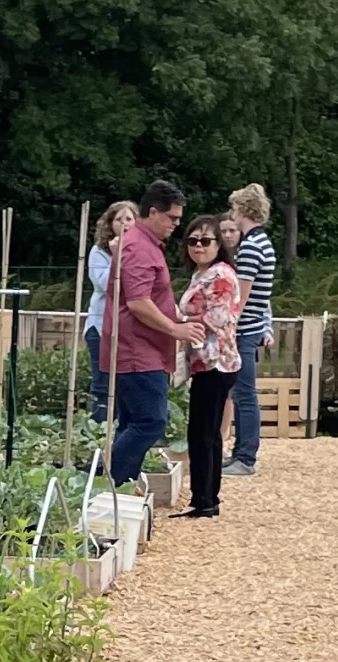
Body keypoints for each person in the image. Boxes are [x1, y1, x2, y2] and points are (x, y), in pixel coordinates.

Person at [109, 182, 200, 489]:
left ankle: (121, 487)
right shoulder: (138, 247)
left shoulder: (142, 243)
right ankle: (104, 482)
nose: (177, 224)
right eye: (172, 218)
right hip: (137, 349)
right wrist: (175, 328)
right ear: (152, 212)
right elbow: (138, 302)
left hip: (139, 348)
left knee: (134, 422)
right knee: (151, 421)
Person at [175, 215, 243, 518]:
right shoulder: (202, 275)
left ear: (219, 244)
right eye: (193, 240)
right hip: (204, 361)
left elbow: (216, 318)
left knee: (203, 432)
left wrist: (178, 322)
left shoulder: (221, 275)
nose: (198, 246)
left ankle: (204, 499)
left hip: (217, 362)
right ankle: (205, 498)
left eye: (205, 240)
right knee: (204, 431)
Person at [224, 184, 277, 476]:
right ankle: (240, 454)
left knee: (244, 394)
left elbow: (239, 300)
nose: (232, 215)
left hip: (243, 330)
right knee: (244, 393)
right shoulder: (263, 243)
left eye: (234, 209)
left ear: (244, 210)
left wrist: (225, 329)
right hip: (254, 327)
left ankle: (245, 457)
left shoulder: (250, 248)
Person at [81, 201, 134, 428]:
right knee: (102, 384)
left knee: (125, 383)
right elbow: (107, 284)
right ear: (110, 224)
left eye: (129, 219)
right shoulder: (98, 252)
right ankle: (99, 433)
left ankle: (121, 430)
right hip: (101, 326)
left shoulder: (142, 251)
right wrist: (117, 255)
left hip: (127, 328)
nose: (124, 224)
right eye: (119, 219)